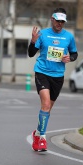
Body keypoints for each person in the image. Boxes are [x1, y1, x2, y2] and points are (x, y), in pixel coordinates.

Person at [28, 8, 78, 151]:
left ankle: (37, 133)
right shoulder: (42, 34)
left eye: (62, 21)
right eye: (58, 20)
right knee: (45, 103)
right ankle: (41, 140)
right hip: (42, 72)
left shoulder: (69, 37)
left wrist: (70, 58)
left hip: (58, 76)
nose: (60, 24)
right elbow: (31, 54)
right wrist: (32, 42)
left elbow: (74, 53)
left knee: (48, 108)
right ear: (52, 19)